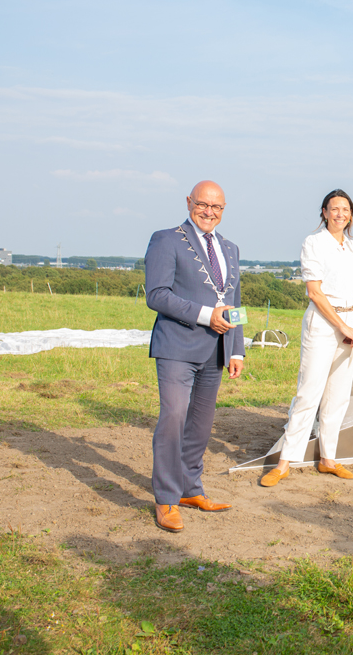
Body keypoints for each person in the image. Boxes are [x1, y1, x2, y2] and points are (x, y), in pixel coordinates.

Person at [144, 180, 244, 533]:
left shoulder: (230, 249)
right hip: (176, 347)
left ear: (223, 210)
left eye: (216, 207)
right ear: (189, 202)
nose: (209, 212)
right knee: (173, 418)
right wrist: (206, 315)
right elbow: (156, 294)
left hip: (216, 350)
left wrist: (237, 348)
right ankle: (167, 498)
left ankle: (190, 490)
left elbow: (235, 302)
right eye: (203, 204)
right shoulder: (166, 239)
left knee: (200, 427)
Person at [260, 189, 353, 487]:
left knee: (338, 395)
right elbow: (314, 292)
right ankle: (285, 462)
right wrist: (342, 327)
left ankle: (328, 459)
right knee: (309, 393)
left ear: (351, 214)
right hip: (323, 324)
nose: (340, 214)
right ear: (324, 212)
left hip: (351, 324)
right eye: (334, 209)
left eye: (345, 210)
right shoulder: (314, 243)